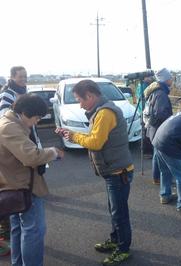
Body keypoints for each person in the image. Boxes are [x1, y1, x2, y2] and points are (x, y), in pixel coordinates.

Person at [55, 79, 134, 266]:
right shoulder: (102, 110)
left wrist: (73, 135)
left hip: (118, 172)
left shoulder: (105, 113)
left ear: (90, 96)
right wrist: (71, 134)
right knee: (115, 211)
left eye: (80, 100)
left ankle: (123, 249)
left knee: (119, 213)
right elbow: (94, 138)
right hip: (114, 171)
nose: (80, 104)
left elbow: (96, 142)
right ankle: (116, 240)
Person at [0, 94, 64, 266]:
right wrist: (53, 152)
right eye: (36, 118)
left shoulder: (11, 122)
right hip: (24, 186)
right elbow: (31, 156)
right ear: (24, 113)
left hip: (14, 185)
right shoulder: (9, 127)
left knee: (19, 229)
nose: (37, 122)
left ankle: (18, 263)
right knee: (33, 230)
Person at [0, 66, 29, 251]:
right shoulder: (8, 94)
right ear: (12, 78)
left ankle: (9, 233)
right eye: (20, 77)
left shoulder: (22, 91)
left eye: (26, 77)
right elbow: (5, 119)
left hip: (19, 143)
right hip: (10, 146)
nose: (24, 80)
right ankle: (5, 236)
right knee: (8, 193)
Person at [144, 68, 173, 185]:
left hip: (153, 128)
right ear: (166, 79)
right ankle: (160, 179)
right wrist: (172, 119)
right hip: (158, 129)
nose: (172, 80)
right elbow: (161, 114)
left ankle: (156, 177)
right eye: (170, 78)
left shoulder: (156, 91)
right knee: (161, 155)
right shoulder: (161, 94)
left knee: (156, 153)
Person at [135, 76, 154, 157]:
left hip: (142, 111)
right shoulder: (144, 86)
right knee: (146, 131)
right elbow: (144, 98)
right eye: (149, 77)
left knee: (145, 131)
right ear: (145, 78)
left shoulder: (140, 85)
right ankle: (147, 151)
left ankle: (145, 150)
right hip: (145, 111)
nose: (151, 79)